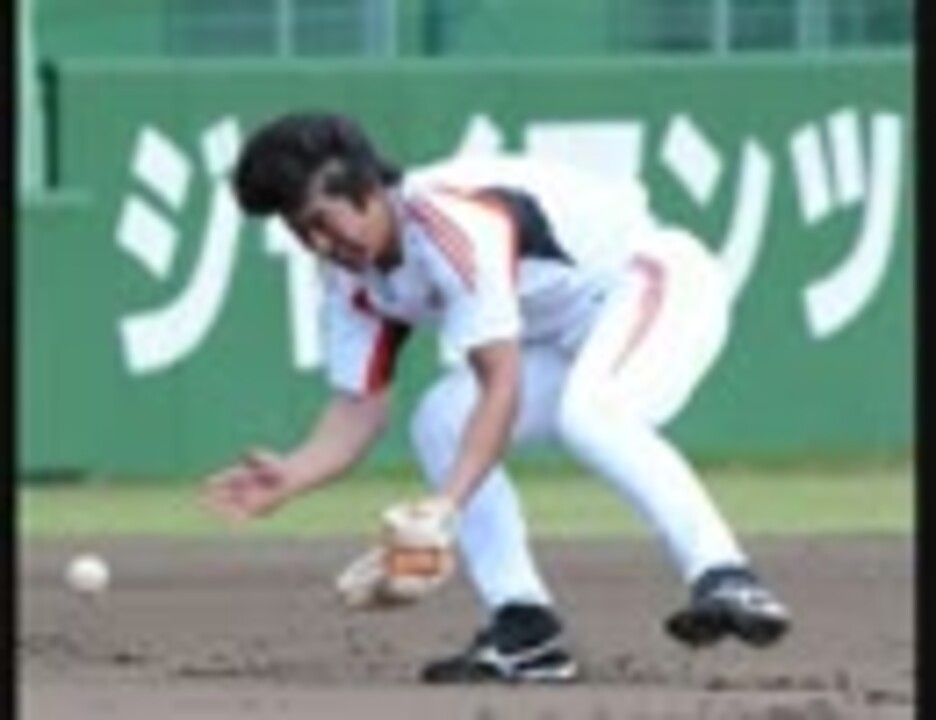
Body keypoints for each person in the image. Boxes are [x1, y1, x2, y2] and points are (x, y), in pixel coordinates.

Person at [202, 110, 791, 684]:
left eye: (322, 221)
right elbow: (359, 406)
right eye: (298, 230)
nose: (318, 243)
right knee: (440, 420)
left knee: (593, 414)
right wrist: (295, 474)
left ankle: (727, 576)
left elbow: (501, 388)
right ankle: (525, 628)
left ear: (368, 190)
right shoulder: (352, 280)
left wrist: (444, 509)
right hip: (563, 335)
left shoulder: (451, 222)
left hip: (652, 283)